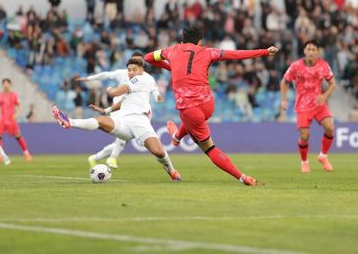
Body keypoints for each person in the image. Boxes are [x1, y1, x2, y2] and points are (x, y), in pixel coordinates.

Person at [145, 26, 279, 186]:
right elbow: (236, 55)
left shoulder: (170, 50)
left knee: (209, 148)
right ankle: (177, 137)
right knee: (194, 122)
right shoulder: (208, 51)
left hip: (189, 109)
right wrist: (264, 51)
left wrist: (170, 67)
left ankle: (242, 177)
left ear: (182, 39)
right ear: (200, 41)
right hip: (208, 104)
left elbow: (148, 58)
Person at [52, 58, 180, 182]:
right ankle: (69, 122)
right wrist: (106, 111)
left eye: (134, 69)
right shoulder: (132, 82)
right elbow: (123, 101)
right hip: (124, 121)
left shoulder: (141, 79)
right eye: (129, 70)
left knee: (159, 152)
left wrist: (109, 89)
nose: (130, 73)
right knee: (100, 120)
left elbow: (115, 93)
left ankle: (171, 170)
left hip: (140, 122)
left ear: (141, 70)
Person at [76, 52, 148, 169]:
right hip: (119, 107)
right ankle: (112, 158)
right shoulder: (122, 73)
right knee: (123, 138)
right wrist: (89, 78)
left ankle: (95, 158)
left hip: (133, 109)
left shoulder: (145, 78)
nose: (137, 63)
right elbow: (106, 75)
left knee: (121, 142)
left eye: (140, 62)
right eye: (135, 60)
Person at [279, 40, 337, 173]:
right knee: (305, 136)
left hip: (319, 103)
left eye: (313, 50)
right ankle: (304, 162)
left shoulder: (323, 65)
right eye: (308, 49)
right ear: (304, 51)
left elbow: (333, 83)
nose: (310, 52)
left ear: (318, 52)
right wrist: (283, 100)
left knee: (330, 128)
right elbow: (285, 82)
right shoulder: (295, 66)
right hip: (303, 105)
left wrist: (324, 96)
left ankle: (323, 156)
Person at [0, 79, 32, 162]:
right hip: (2, 119)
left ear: (10, 85)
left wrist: (17, 114)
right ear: (2, 85)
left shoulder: (14, 95)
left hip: (11, 119)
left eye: (7, 83)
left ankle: (27, 154)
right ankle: (0, 155)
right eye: (4, 83)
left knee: (18, 136)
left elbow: (19, 107)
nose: (6, 85)